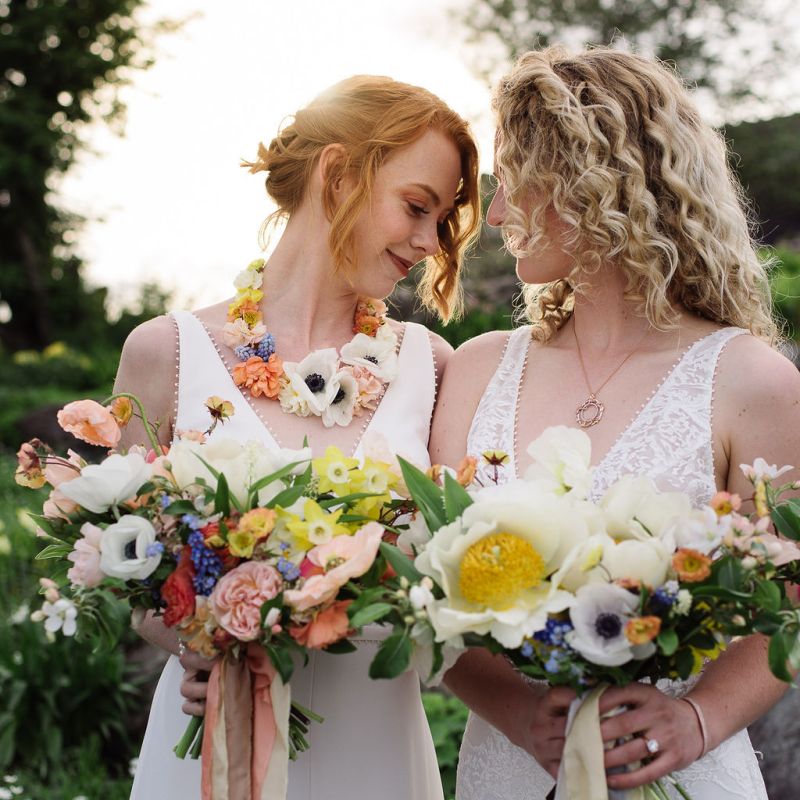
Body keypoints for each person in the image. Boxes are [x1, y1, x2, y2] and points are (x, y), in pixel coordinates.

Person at [430, 46, 800, 800]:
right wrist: (521, 711)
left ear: (594, 183)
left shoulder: (748, 378)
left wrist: (695, 720)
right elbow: (431, 597)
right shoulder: (475, 369)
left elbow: (790, 601)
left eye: (512, 180)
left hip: (680, 771)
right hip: (507, 769)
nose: (496, 213)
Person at [116, 75, 481, 800]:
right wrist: (195, 643)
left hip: (375, 747)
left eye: (440, 222)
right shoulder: (168, 352)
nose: (425, 243)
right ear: (339, 174)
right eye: (416, 207)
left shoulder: (433, 368)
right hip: (211, 739)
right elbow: (130, 574)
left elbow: (454, 581)